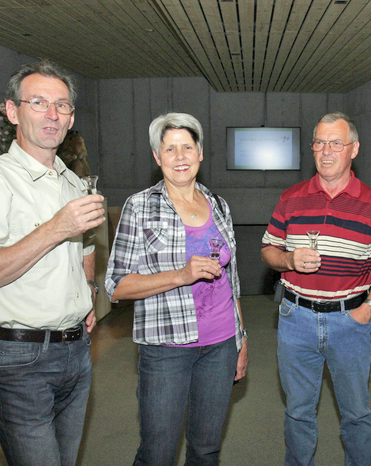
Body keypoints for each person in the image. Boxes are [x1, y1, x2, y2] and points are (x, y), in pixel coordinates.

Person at [0, 60, 105, 466]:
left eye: (62, 105)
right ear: (12, 111)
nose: (52, 114)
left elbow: (86, 245)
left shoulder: (73, 182)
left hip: (76, 351)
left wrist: (88, 290)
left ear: (71, 117)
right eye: (38, 102)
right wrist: (56, 227)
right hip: (20, 359)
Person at [105, 112, 248, 466]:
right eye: (170, 149)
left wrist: (241, 338)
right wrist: (180, 276)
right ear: (157, 157)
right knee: (158, 453)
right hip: (166, 349)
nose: (180, 156)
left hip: (221, 345)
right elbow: (116, 285)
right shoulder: (140, 207)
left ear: (201, 153)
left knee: (206, 449)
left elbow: (232, 281)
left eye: (187, 147)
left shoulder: (219, 205)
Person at [261, 112, 371, 465]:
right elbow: (268, 250)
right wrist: (289, 260)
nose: (326, 151)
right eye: (319, 143)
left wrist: (369, 309)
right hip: (296, 319)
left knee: (356, 414)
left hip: (349, 322)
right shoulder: (291, 198)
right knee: (298, 412)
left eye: (336, 143)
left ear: (354, 149)